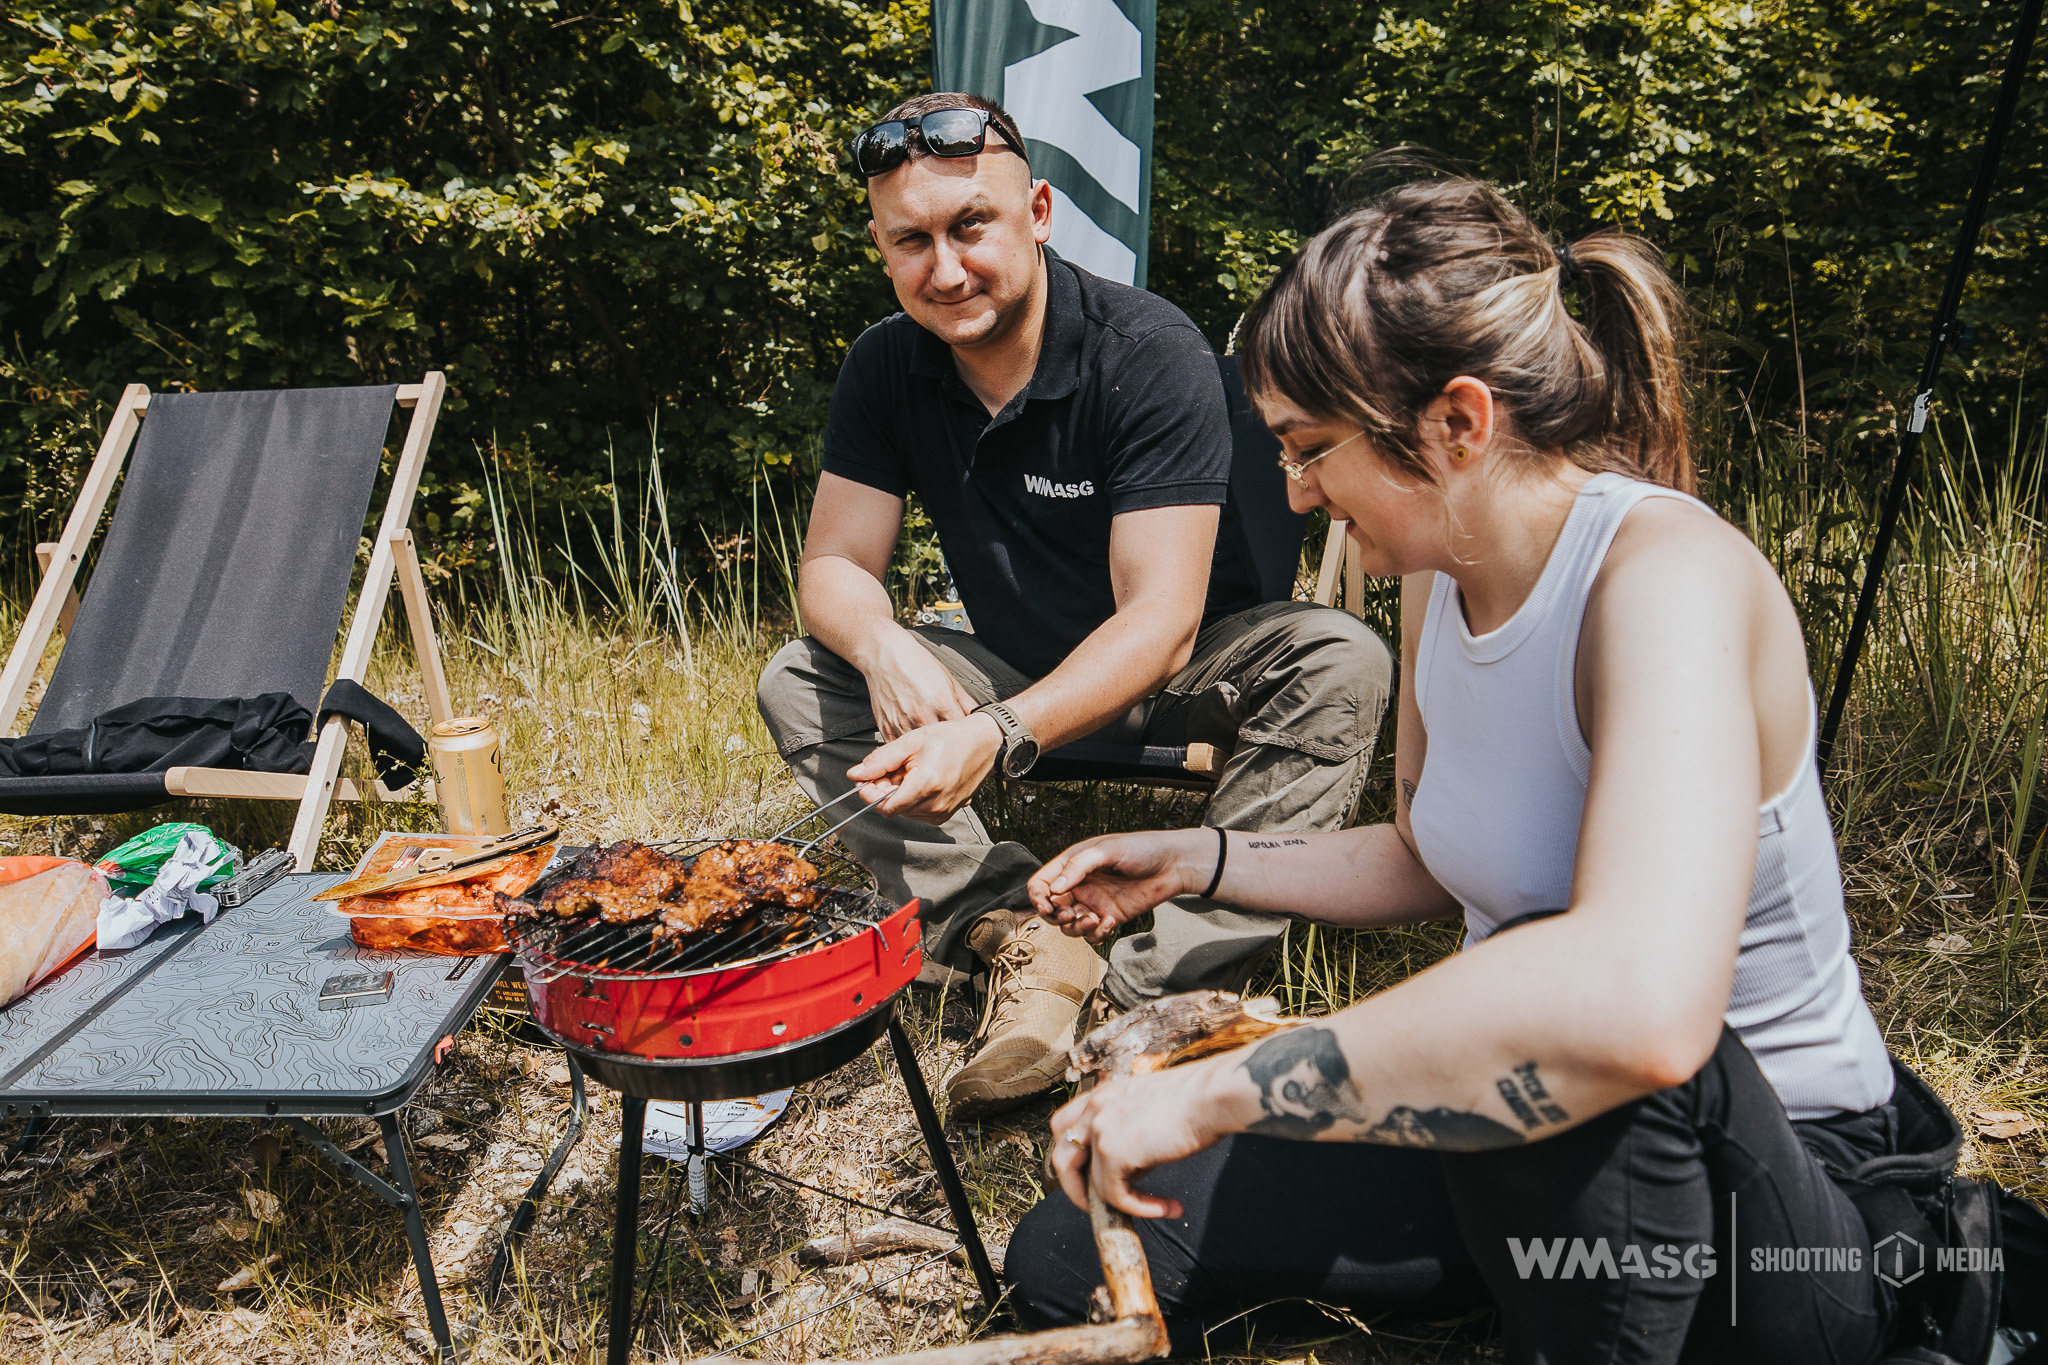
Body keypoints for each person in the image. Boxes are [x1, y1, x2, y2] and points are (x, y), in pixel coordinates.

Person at [1002, 174, 1929, 1362]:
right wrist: (1200, 856)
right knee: (1073, 1257)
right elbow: (1425, 852)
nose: (1292, 493)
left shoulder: (1664, 578)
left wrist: (1221, 1086)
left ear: (1455, 420)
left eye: (1307, 450)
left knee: (1562, 1037)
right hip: (1526, 1149)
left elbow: (1636, 1011)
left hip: (1772, 1193)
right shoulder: (1438, 572)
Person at [755, 92, 1391, 1119]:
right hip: (1014, 662)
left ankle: (1158, 980)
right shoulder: (885, 363)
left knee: (1339, 657)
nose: (945, 268)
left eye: (971, 226)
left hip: (1188, 673)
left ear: (1038, 213)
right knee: (800, 672)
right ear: (879, 249)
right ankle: (1012, 935)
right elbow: (831, 560)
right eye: (910, 241)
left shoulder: (1143, 346)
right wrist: (877, 643)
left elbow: (1161, 619)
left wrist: (997, 734)